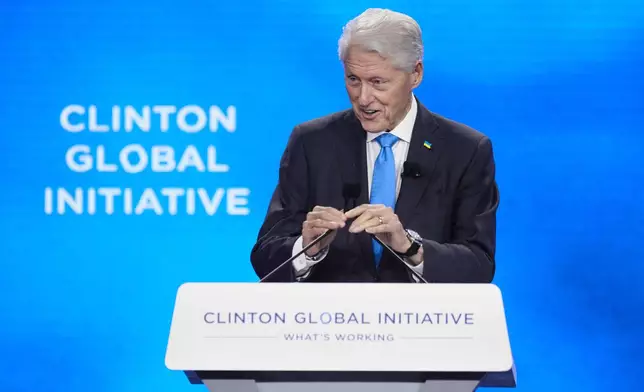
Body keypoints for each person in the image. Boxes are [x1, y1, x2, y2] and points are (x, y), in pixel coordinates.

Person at [250, 8, 499, 283]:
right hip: (330, 322)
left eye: (378, 82)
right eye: (353, 80)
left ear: (415, 74)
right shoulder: (312, 142)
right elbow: (265, 256)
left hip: (423, 322)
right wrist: (307, 248)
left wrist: (409, 247)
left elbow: (479, 265)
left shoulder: (465, 150)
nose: (364, 98)